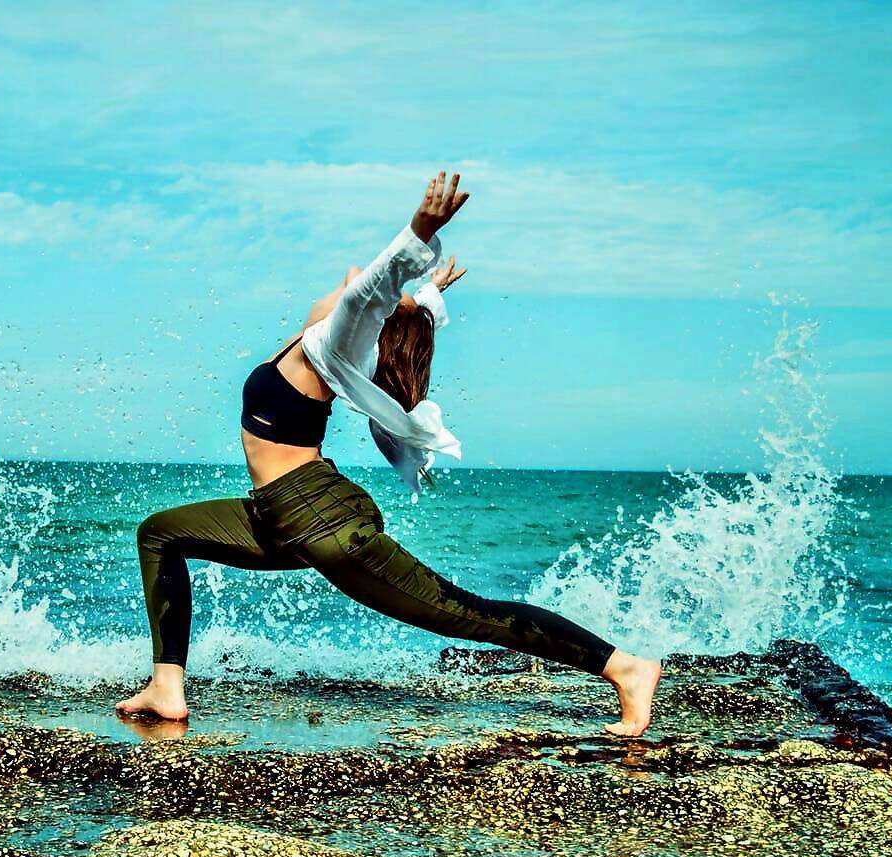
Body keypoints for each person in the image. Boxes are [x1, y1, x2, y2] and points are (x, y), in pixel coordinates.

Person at [118, 173, 662, 736]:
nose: (355, 284)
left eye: (383, 306)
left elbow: (370, 288)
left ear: (373, 324)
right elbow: (378, 297)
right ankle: (167, 685)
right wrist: (429, 295)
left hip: (320, 521)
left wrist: (420, 233)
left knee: (462, 612)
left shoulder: (334, 341)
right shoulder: (317, 335)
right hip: (278, 513)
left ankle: (625, 667)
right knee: (160, 532)